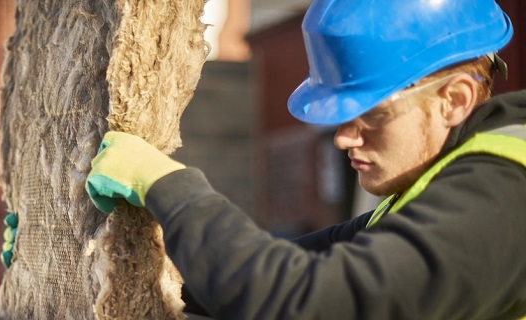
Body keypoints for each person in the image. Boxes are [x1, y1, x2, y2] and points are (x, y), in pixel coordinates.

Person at [85, 0, 526, 319]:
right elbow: (252, 277)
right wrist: (84, 257)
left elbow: (304, 300)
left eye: (371, 114)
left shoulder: (507, 195)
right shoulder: (422, 193)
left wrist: (171, 187)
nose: (344, 139)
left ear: (454, 99)